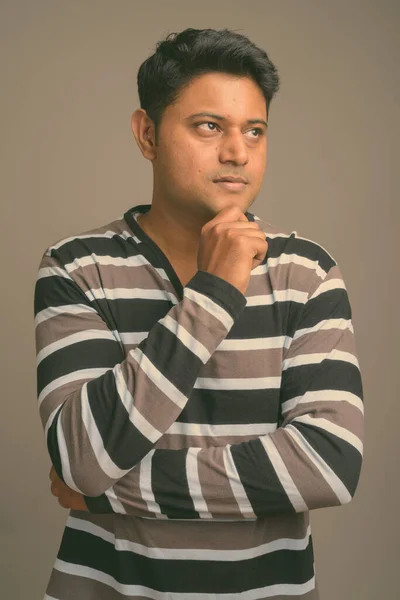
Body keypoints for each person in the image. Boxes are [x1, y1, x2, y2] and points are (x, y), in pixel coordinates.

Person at [34, 27, 364, 600]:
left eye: (254, 131)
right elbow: (84, 455)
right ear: (147, 134)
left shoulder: (306, 271)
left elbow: (327, 464)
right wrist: (213, 293)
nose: (237, 152)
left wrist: (107, 493)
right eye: (209, 126)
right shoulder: (76, 267)